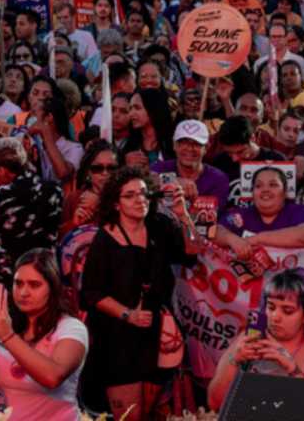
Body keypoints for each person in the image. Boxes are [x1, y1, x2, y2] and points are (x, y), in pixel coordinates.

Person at [81, 167, 202, 421]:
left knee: (146, 412)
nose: (140, 200)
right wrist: (128, 315)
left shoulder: (158, 225)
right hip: (118, 340)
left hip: (156, 335)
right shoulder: (104, 241)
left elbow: (192, 250)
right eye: (130, 195)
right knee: (129, 417)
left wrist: (183, 216)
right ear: (115, 202)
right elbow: (92, 293)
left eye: (144, 194)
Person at [0, 249, 88, 421]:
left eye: (34, 285)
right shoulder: (1, 324)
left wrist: (7, 336)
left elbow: (53, 377)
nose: (24, 293)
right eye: (19, 284)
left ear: (52, 287)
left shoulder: (71, 328)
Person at [208, 267, 304, 412]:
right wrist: (234, 361)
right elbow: (214, 404)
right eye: (271, 307)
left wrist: (291, 368)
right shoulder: (248, 339)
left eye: (287, 311)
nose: (275, 317)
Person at [0, 138, 64, 283]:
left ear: (2, 171)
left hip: (12, 273)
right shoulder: (54, 190)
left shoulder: (3, 192)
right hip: (44, 271)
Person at [215, 167, 304, 258]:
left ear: (285, 191)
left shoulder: (299, 211)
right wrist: (232, 240)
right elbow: (215, 232)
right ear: (252, 192)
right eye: (258, 185)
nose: (265, 190)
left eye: (273, 185)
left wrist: (257, 239)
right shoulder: (241, 215)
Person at [151, 120, 230, 216]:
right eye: (184, 142)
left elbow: (210, 219)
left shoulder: (218, 179)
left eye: (196, 144)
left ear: (206, 148)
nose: (190, 148)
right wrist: (174, 182)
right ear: (174, 145)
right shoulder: (161, 168)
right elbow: (147, 180)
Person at [211, 116, 286, 210]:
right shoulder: (220, 161)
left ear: (253, 138)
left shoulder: (277, 161)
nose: (234, 159)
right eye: (229, 153)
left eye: (240, 152)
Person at [61, 141, 122, 235]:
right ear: (88, 172)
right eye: (98, 168)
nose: (105, 173)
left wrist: (100, 205)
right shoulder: (75, 198)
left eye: (111, 168)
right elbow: (57, 237)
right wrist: (73, 223)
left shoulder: (126, 197)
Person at [28, 97, 83, 184]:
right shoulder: (32, 145)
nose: (29, 119)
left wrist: (46, 133)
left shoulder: (75, 149)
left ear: (48, 118)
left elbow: (63, 172)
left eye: (34, 114)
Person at [121, 88, 175, 168]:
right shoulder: (125, 145)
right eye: (130, 108)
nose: (131, 114)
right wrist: (124, 165)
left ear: (153, 109)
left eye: (137, 108)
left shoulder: (174, 144)